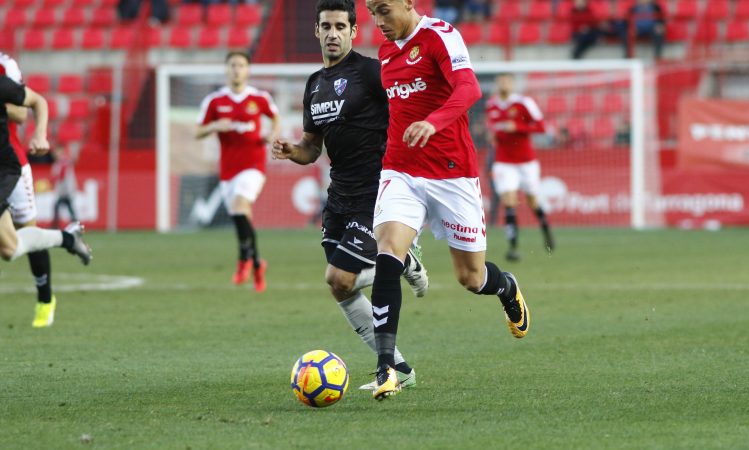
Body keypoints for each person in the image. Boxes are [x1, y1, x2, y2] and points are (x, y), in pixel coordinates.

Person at [365, 0, 530, 401]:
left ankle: (507, 287)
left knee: (471, 278)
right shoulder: (386, 52)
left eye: (384, 10)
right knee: (386, 251)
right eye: (371, 12)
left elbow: (469, 87)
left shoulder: (440, 35)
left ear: (408, 2)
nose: (378, 21)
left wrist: (433, 122)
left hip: (453, 174)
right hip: (401, 171)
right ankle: (387, 367)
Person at [272, 0, 429, 391]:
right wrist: (294, 152)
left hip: (375, 191)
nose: (332, 33)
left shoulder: (371, 72)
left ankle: (399, 258)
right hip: (339, 196)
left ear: (353, 31)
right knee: (341, 286)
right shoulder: (314, 85)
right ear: (316, 31)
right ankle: (401, 368)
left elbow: (405, 107)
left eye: (341, 26)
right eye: (326, 26)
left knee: (338, 275)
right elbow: (312, 146)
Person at [1, 55, 90, 328]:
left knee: (27, 230)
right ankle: (66, 238)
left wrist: (40, 135)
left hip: (9, 163)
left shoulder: (5, 68)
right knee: (9, 249)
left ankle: (44, 299)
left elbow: (21, 109)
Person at [196, 51, 281, 293]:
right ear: (226, 69)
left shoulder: (259, 98)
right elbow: (198, 131)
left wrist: (271, 134)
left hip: (253, 165)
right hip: (227, 170)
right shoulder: (214, 101)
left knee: (238, 205)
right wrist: (214, 125)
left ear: (247, 70)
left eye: (241, 65)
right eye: (232, 65)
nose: (236, 69)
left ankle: (243, 260)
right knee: (241, 215)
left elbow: (275, 118)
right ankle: (257, 263)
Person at [486, 73, 554, 261]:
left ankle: (546, 229)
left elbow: (541, 127)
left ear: (513, 84)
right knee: (509, 201)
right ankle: (513, 247)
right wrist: (493, 135)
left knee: (532, 201)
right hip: (504, 162)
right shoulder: (491, 105)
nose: (504, 83)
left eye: (507, 80)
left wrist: (517, 127)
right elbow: (492, 127)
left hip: (526, 162)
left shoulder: (524, 103)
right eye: (500, 80)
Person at [51, 148, 79, 229]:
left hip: (67, 190)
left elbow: (61, 176)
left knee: (61, 207)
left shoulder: (65, 163)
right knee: (67, 208)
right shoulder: (57, 164)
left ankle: (55, 226)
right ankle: (76, 225)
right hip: (62, 191)